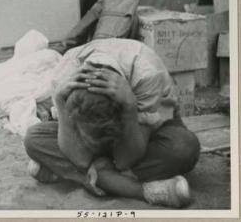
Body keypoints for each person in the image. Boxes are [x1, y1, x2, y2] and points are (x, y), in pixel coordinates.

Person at [23, 38, 200, 208]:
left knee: (184, 147)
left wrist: (130, 107)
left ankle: (66, 173)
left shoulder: (147, 74)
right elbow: (82, 159)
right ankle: (141, 191)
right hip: (91, 128)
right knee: (33, 137)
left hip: (147, 126)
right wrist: (61, 105)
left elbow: (125, 160)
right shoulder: (64, 77)